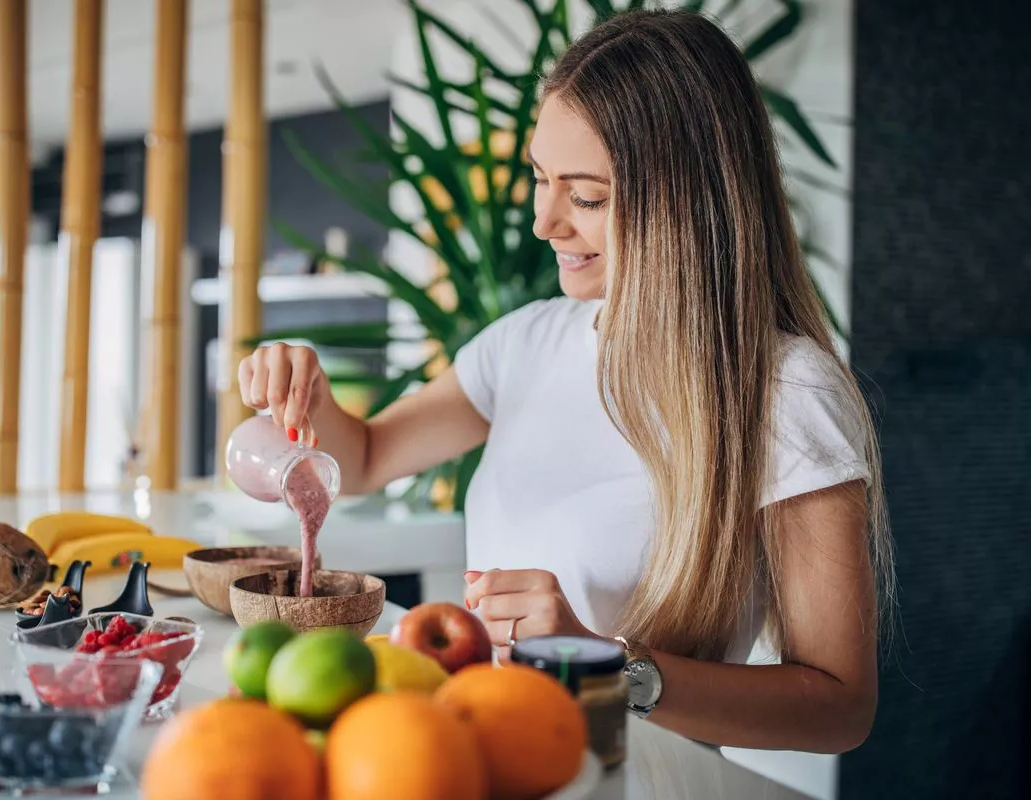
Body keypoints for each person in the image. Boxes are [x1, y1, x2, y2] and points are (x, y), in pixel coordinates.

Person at [237, 9, 891, 754]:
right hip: (484, 759)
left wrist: (605, 662)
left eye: (586, 197)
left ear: (689, 201)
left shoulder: (785, 393)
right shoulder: (526, 341)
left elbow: (840, 708)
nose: (545, 221)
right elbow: (365, 460)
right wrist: (308, 389)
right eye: (541, 179)